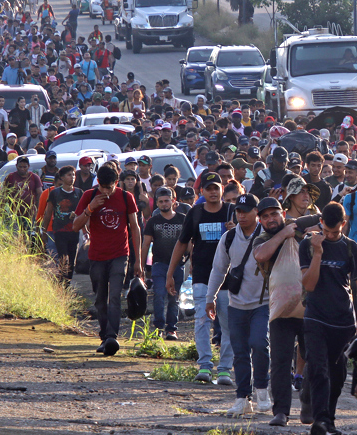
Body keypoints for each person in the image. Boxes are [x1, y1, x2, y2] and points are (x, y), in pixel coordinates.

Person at [300, 202, 357, 435]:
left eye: (335, 232)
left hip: (343, 321)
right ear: (320, 223)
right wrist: (318, 253)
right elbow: (309, 284)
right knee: (319, 369)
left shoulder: (351, 248)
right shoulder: (308, 246)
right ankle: (319, 420)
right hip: (315, 317)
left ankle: (328, 419)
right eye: (326, 231)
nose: (329, 236)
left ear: (344, 224)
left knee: (338, 375)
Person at [166, 171, 236, 385]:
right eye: (209, 188)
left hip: (228, 279)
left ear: (222, 189)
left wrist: (236, 231)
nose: (213, 192)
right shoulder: (195, 213)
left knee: (228, 324)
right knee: (202, 321)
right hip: (202, 276)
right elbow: (181, 243)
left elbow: (249, 240)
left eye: (217, 188)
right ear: (202, 191)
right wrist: (170, 273)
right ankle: (204, 365)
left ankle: (224, 369)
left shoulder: (232, 212)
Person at [206, 194, 271, 417]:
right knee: (240, 353)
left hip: (263, 303)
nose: (241, 215)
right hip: (236, 304)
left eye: (246, 211)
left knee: (260, 344)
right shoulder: (229, 237)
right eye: (238, 211)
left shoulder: (267, 235)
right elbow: (218, 269)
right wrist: (210, 298)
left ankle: (262, 390)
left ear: (256, 213)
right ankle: (243, 398)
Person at [252, 197, 314, 427]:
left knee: (313, 359)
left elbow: (325, 219)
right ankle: (281, 412)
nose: (270, 219)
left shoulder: (299, 227)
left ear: (283, 214)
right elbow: (261, 255)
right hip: (281, 310)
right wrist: (285, 234)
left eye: (274, 214)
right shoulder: (262, 239)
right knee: (279, 362)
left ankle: (308, 406)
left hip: (309, 307)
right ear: (260, 220)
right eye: (265, 216)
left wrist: (304, 229)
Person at [72, 164, 144, 356]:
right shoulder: (89, 196)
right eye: (102, 187)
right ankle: (104, 337)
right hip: (97, 256)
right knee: (100, 299)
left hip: (120, 254)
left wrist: (138, 260)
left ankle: (112, 336)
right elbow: (75, 226)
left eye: (109, 187)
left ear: (116, 182)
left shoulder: (125, 197)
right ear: (98, 183)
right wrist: (90, 209)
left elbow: (135, 228)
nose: (106, 191)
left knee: (115, 296)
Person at [141, 187, 185, 341]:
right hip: (159, 264)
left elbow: (190, 242)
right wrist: (141, 265)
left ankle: (171, 329)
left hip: (179, 264)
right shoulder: (153, 221)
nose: (164, 204)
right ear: (157, 203)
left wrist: (192, 261)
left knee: (174, 297)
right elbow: (146, 244)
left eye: (167, 200)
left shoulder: (183, 219)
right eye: (161, 201)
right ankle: (158, 328)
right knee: (159, 294)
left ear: (173, 201)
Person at [42, 165, 83, 286]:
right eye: (69, 175)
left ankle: (67, 283)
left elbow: (84, 211)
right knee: (63, 258)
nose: (72, 177)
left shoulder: (79, 193)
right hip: (59, 231)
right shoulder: (55, 193)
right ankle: (62, 284)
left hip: (74, 231)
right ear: (62, 177)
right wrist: (44, 231)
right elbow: (48, 213)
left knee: (72, 260)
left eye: (73, 175)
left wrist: (78, 217)